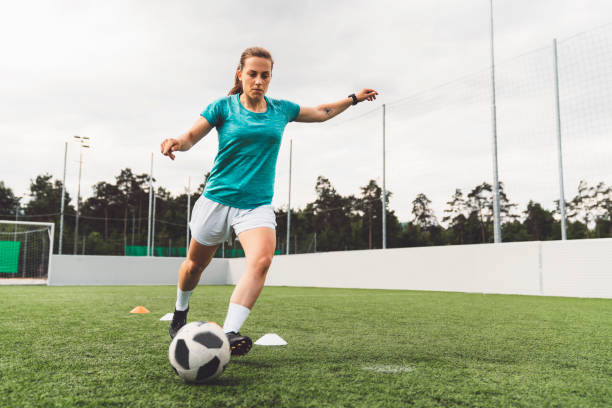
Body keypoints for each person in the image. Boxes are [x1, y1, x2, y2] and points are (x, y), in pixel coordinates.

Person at [160, 46, 378, 356]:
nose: (258, 80)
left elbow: (320, 112)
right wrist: (175, 143)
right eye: (252, 74)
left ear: (270, 78)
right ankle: (180, 312)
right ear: (241, 75)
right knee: (194, 266)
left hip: (255, 205)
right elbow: (191, 137)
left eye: (265, 75)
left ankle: (230, 331)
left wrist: (353, 98)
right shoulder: (223, 107)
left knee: (261, 260)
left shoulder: (281, 110)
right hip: (216, 200)